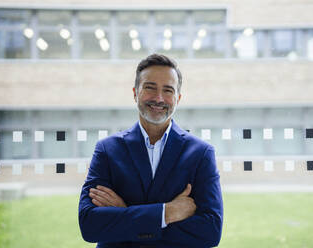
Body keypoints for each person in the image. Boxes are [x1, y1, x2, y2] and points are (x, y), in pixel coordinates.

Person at [78, 54, 223, 248]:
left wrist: (125, 212)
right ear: (135, 93)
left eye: (168, 90)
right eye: (150, 87)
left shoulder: (201, 153)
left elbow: (210, 231)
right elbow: (90, 225)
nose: (158, 98)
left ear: (177, 98)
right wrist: (166, 213)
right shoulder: (107, 150)